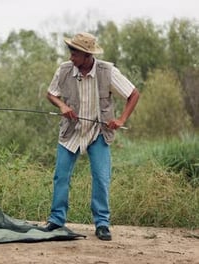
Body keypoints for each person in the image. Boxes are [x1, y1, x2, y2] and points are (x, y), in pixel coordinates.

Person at [44, 32, 140, 241]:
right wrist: (62, 105)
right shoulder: (64, 70)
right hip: (71, 132)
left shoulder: (108, 71)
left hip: (98, 133)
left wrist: (121, 119)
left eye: (75, 53)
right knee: (61, 176)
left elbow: (133, 94)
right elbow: (51, 93)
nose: (71, 57)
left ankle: (102, 224)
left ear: (87, 55)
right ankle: (56, 220)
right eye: (71, 52)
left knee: (101, 178)